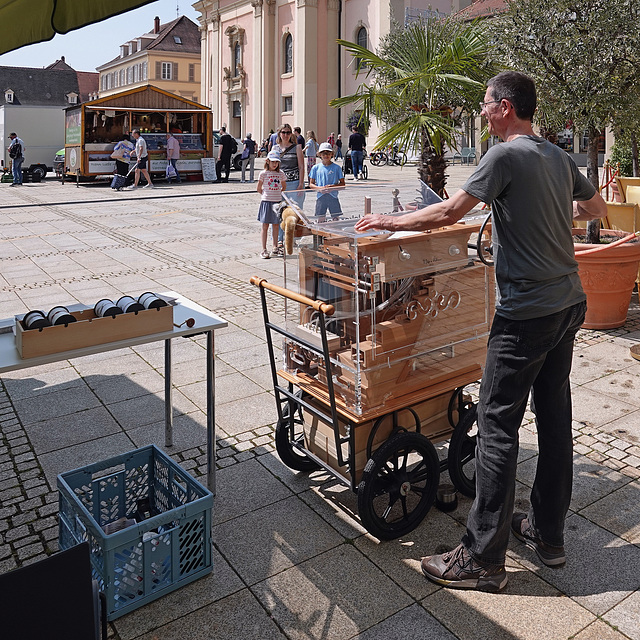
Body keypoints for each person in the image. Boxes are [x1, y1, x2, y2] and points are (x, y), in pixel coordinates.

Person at [354, 71, 607, 592]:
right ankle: (548, 535)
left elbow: (449, 211)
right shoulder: (557, 156)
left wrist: (388, 223)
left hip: (527, 314)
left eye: (486, 105)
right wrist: (548, 214)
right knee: (555, 418)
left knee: (496, 428)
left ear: (506, 107)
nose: (482, 112)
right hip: (568, 304)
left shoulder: (504, 155)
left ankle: (482, 557)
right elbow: (593, 209)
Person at [273, 123, 306, 252]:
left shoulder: (296, 147)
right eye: (283, 132)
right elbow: (272, 165)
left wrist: (300, 184)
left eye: (288, 132)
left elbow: (301, 166)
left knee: (295, 212)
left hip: (294, 183)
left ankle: (293, 239)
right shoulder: (275, 148)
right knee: (279, 212)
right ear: (279, 133)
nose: (286, 135)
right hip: (279, 184)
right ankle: (279, 240)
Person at [257, 150, 286, 259]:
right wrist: (265, 195)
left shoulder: (280, 173)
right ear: (268, 161)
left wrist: (278, 193)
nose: (274, 164)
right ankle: (264, 249)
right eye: (272, 161)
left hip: (277, 202)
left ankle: (275, 247)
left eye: (276, 162)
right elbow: (259, 188)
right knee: (265, 225)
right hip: (266, 202)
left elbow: (284, 186)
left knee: (276, 225)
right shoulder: (263, 173)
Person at [309, 142, 345, 221]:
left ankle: (335, 231)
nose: (326, 156)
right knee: (321, 218)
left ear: (332, 154)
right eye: (324, 154)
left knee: (335, 218)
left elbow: (342, 184)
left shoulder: (337, 168)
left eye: (328, 153)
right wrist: (319, 188)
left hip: (333, 196)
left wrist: (332, 187)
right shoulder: (315, 168)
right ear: (320, 155)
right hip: (320, 196)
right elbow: (311, 184)